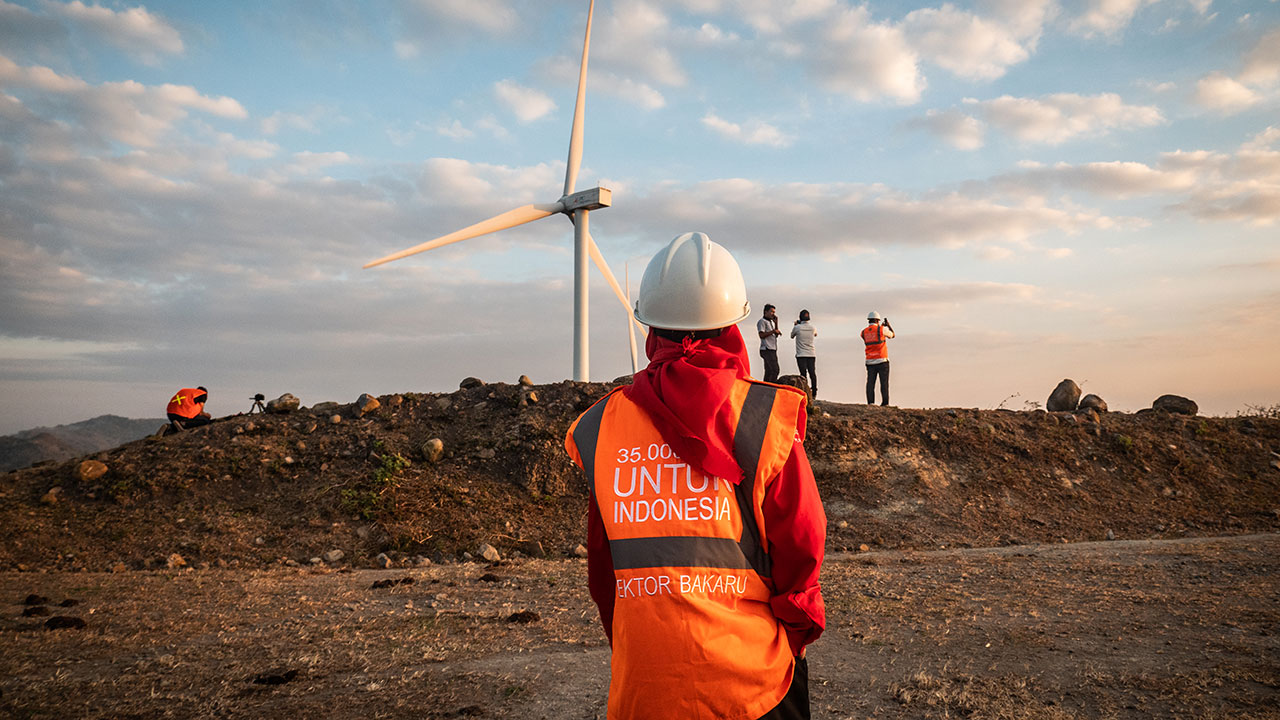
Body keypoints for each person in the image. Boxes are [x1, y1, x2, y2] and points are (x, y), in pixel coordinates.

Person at [565, 232, 826, 720]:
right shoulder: (764, 417)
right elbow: (802, 541)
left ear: (650, 326)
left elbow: (603, 572)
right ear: (733, 324)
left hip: (645, 689)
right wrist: (797, 632)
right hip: (753, 684)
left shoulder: (602, 427)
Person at [861, 312, 894, 405]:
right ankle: (885, 403)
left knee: (870, 383)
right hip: (882, 360)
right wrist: (888, 326)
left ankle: (871, 402)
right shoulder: (882, 329)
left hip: (869, 361)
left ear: (869, 320)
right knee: (884, 383)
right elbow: (892, 335)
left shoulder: (863, 332)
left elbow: (871, 335)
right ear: (878, 320)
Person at [790, 309, 818, 397]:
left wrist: (796, 325)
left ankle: (805, 392)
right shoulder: (813, 328)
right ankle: (814, 392)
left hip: (801, 354)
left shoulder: (797, 328)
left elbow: (792, 336)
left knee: (803, 374)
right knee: (812, 373)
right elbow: (815, 334)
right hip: (811, 353)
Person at [757, 303, 782, 383]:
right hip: (766, 349)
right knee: (775, 370)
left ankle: (765, 387)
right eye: (771, 312)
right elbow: (761, 335)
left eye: (774, 312)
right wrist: (773, 331)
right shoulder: (762, 321)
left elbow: (775, 335)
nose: (773, 314)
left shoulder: (770, 322)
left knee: (768, 371)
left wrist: (776, 324)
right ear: (765, 312)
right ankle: (771, 386)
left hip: (772, 348)